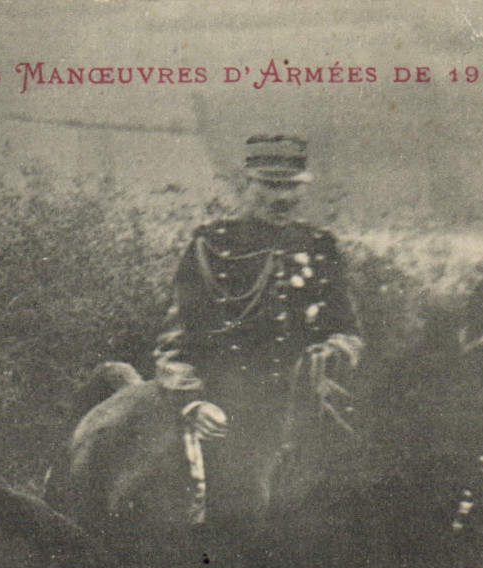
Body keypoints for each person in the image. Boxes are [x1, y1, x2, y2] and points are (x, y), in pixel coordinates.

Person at [154, 134, 364, 544]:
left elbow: (349, 331)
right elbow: (173, 345)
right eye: (269, 185)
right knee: (236, 519)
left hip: (308, 408)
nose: (282, 198)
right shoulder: (211, 246)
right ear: (245, 184)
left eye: (291, 187)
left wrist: (334, 352)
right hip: (230, 412)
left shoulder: (320, 248)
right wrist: (192, 401)